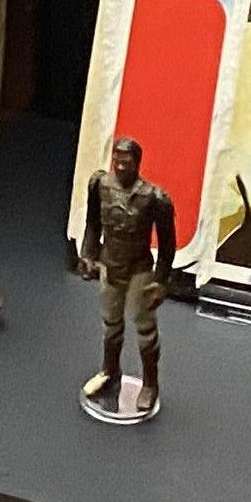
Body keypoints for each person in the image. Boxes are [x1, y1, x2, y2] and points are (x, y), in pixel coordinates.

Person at [77, 137, 179, 420]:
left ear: (137, 163)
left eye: (127, 162)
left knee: (145, 328)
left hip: (139, 271)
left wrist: (161, 281)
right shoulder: (100, 185)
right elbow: (93, 223)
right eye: (117, 161)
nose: (121, 166)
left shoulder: (154, 198)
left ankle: (150, 383)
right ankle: (110, 372)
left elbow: (168, 244)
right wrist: (88, 254)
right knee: (111, 325)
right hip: (110, 265)